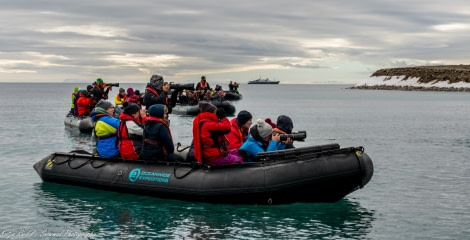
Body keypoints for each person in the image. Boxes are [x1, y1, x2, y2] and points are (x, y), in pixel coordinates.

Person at [192, 101, 243, 166]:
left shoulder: (204, 122)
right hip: (213, 156)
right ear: (211, 113)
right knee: (239, 159)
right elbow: (227, 128)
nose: (216, 114)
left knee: (239, 153)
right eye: (215, 112)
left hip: (214, 153)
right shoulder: (208, 124)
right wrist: (223, 117)